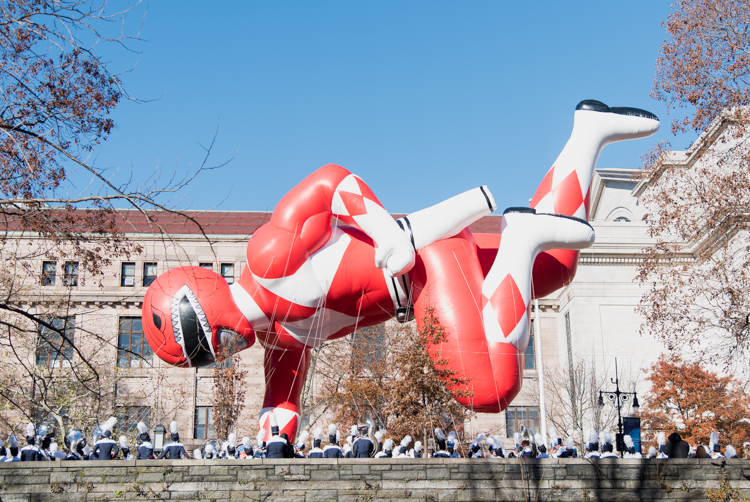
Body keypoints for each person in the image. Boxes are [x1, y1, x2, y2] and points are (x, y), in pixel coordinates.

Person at [142, 100, 661, 441]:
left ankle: (521, 237)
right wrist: (272, 439)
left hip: (427, 263)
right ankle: (587, 134)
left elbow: (327, 182)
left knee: (489, 387)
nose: (221, 355)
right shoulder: (280, 341)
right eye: (206, 359)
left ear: (201, 302)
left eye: (205, 344)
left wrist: (385, 230)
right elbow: (280, 401)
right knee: (554, 269)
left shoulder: (266, 260)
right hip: (425, 273)